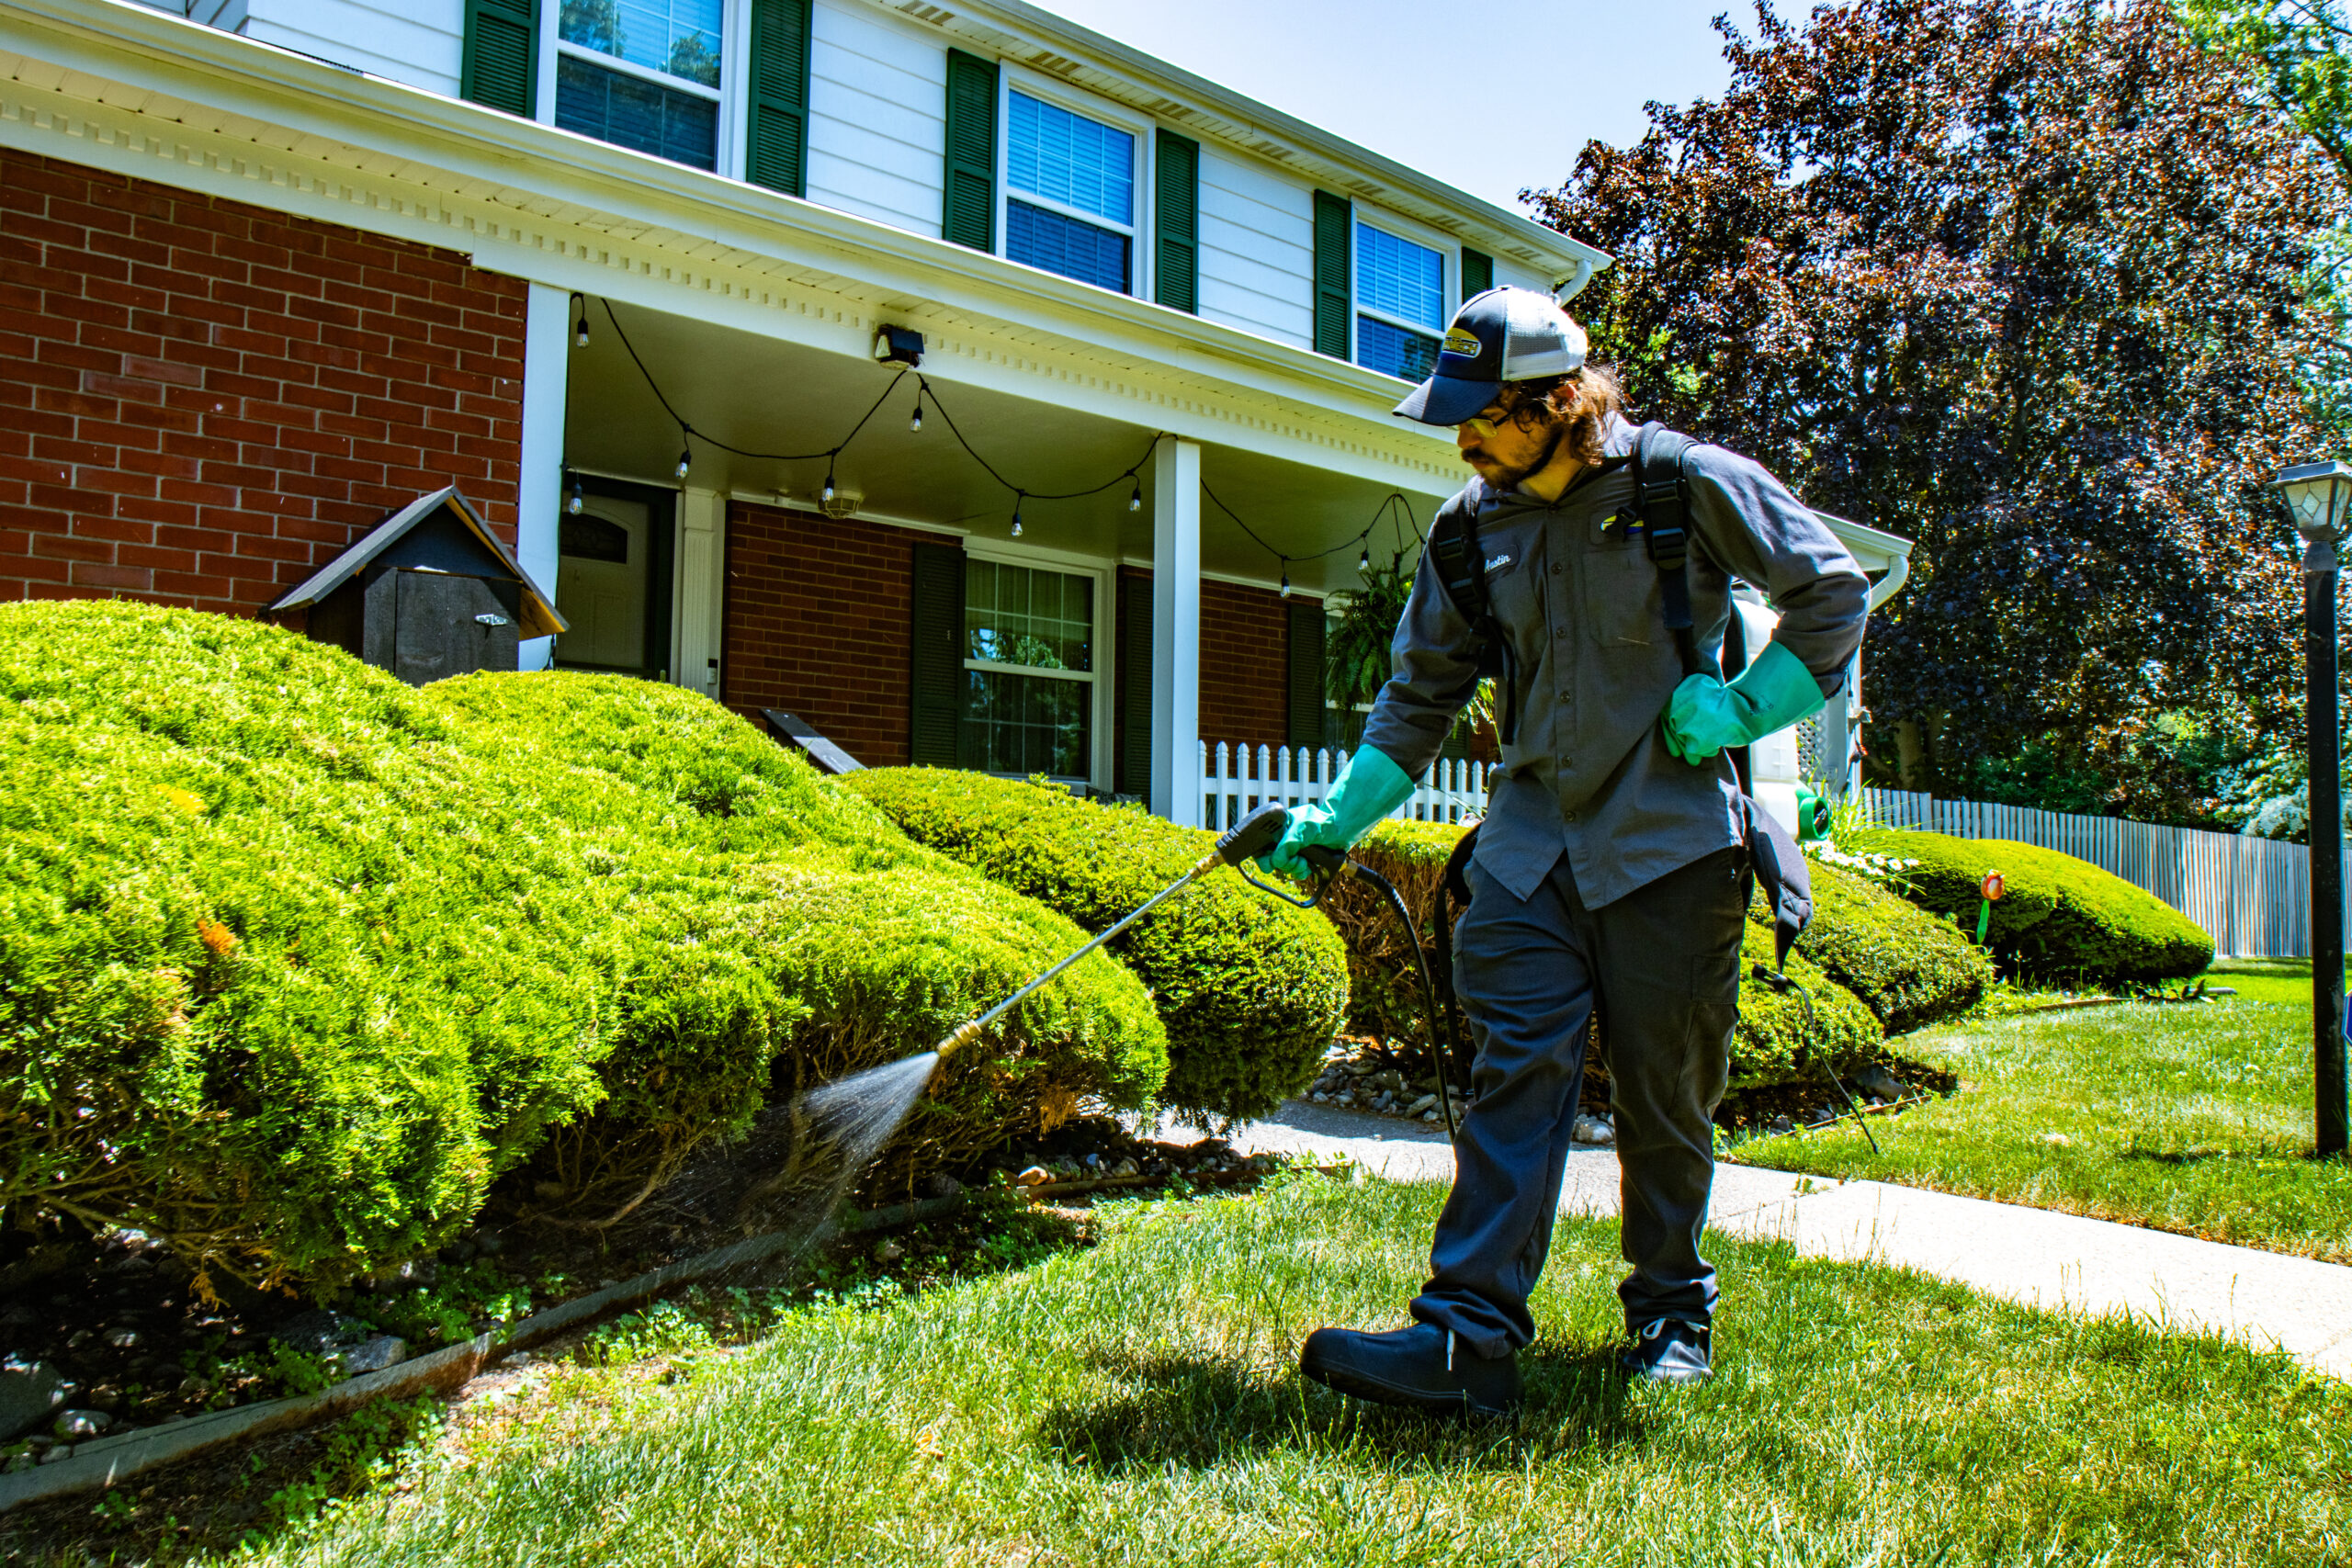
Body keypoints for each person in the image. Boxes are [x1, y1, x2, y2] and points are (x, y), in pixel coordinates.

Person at [1264, 286, 1869, 1410]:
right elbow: (1417, 696)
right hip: (1529, 852)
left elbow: (1831, 592)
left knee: (1665, 1096)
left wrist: (1743, 709)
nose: (1464, 436)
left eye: (1484, 413)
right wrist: (1337, 820)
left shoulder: (1678, 483)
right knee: (1513, 1079)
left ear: (1554, 400)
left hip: (1672, 848)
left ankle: (1671, 1312)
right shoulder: (1467, 529)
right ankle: (1468, 1336)